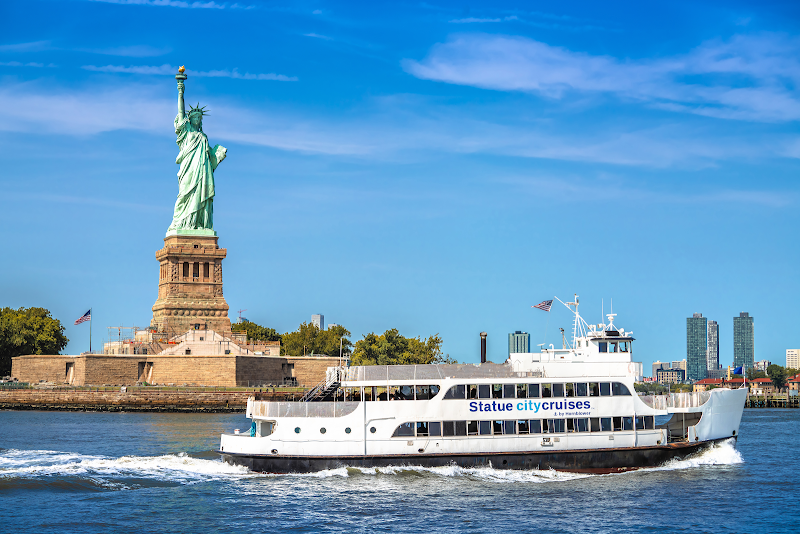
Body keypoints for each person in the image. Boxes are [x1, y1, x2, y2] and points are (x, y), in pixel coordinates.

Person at [167, 77, 227, 232]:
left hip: (202, 170)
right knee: (184, 195)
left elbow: (209, 160)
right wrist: (181, 92)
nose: (197, 120)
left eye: (200, 118)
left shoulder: (203, 137)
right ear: (190, 119)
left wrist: (218, 155)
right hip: (188, 168)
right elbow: (181, 112)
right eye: (195, 117)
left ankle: (199, 224)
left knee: (200, 193)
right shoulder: (186, 132)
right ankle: (181, 223)